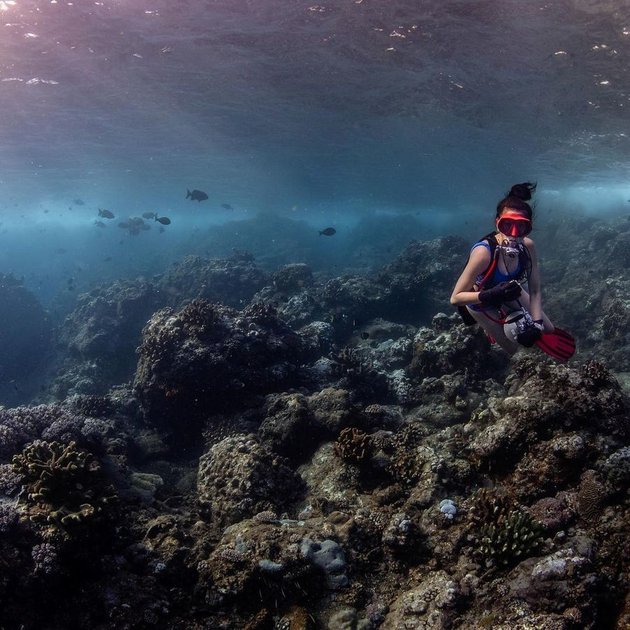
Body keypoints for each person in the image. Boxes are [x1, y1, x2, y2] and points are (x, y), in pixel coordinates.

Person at [450, 182, 554, 355]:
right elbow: (455, 298)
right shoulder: (484, 253)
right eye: (507, 225)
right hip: (480, 302)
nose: (513, 233)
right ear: (497, 223)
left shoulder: (528, 247)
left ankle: (510, 316)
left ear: (529, 227)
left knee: (547, 329)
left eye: (521, 226)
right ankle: (490, 327)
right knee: (513, 350)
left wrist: (536, 325)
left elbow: (535, 290)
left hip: (510, 290)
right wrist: (491, 294)